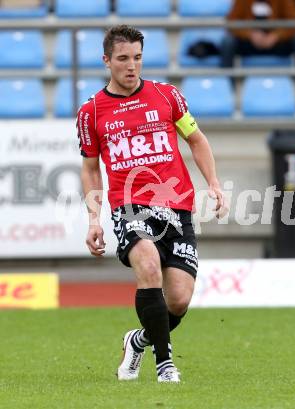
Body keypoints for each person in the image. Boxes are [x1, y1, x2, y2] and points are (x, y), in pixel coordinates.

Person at [77, 25, 226, 383]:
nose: (132, 66)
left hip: (177, 206)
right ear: (107, 61)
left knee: (178, 300)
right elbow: (90, 167)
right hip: (130, 205)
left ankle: (139, 340)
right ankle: (165, 364)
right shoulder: (92, 111)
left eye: (138, 58)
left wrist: (214, 183)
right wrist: (94, 218)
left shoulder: (167, 96)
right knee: (147, 262)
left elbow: (196, 139)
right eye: (124, 59)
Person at [221, 0, 295, 98]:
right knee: (227, 42)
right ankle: (227, 93)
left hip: (277, 44)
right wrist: (250, 34)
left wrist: (276, 36)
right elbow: (231, 21)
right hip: (250, 44)